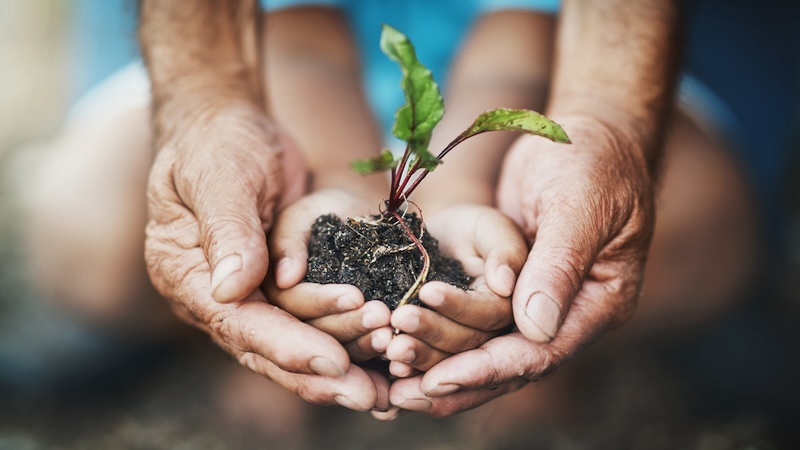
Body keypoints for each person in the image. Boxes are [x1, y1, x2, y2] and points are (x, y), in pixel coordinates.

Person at [25, 0, 760, 424]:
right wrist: (334, 185)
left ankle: (564, 358)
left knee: (698, 226)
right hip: (278, 103)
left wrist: (459, 193)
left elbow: (521, 47)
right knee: (91, 228)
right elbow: (294, 44)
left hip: (531, 106)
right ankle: (234, 340)